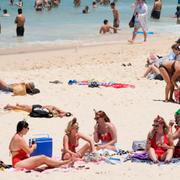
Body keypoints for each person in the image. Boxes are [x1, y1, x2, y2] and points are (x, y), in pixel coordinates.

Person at [4, 104, 72, 118]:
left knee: (25, 108)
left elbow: (59, 115)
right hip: (39, 108)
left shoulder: (55, 113)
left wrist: (63, 114)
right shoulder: (55, 109)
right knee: (27, 107)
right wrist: (65, 113)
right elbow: (50, 107)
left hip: (39, 110)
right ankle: (17, 105)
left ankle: (10, 106)